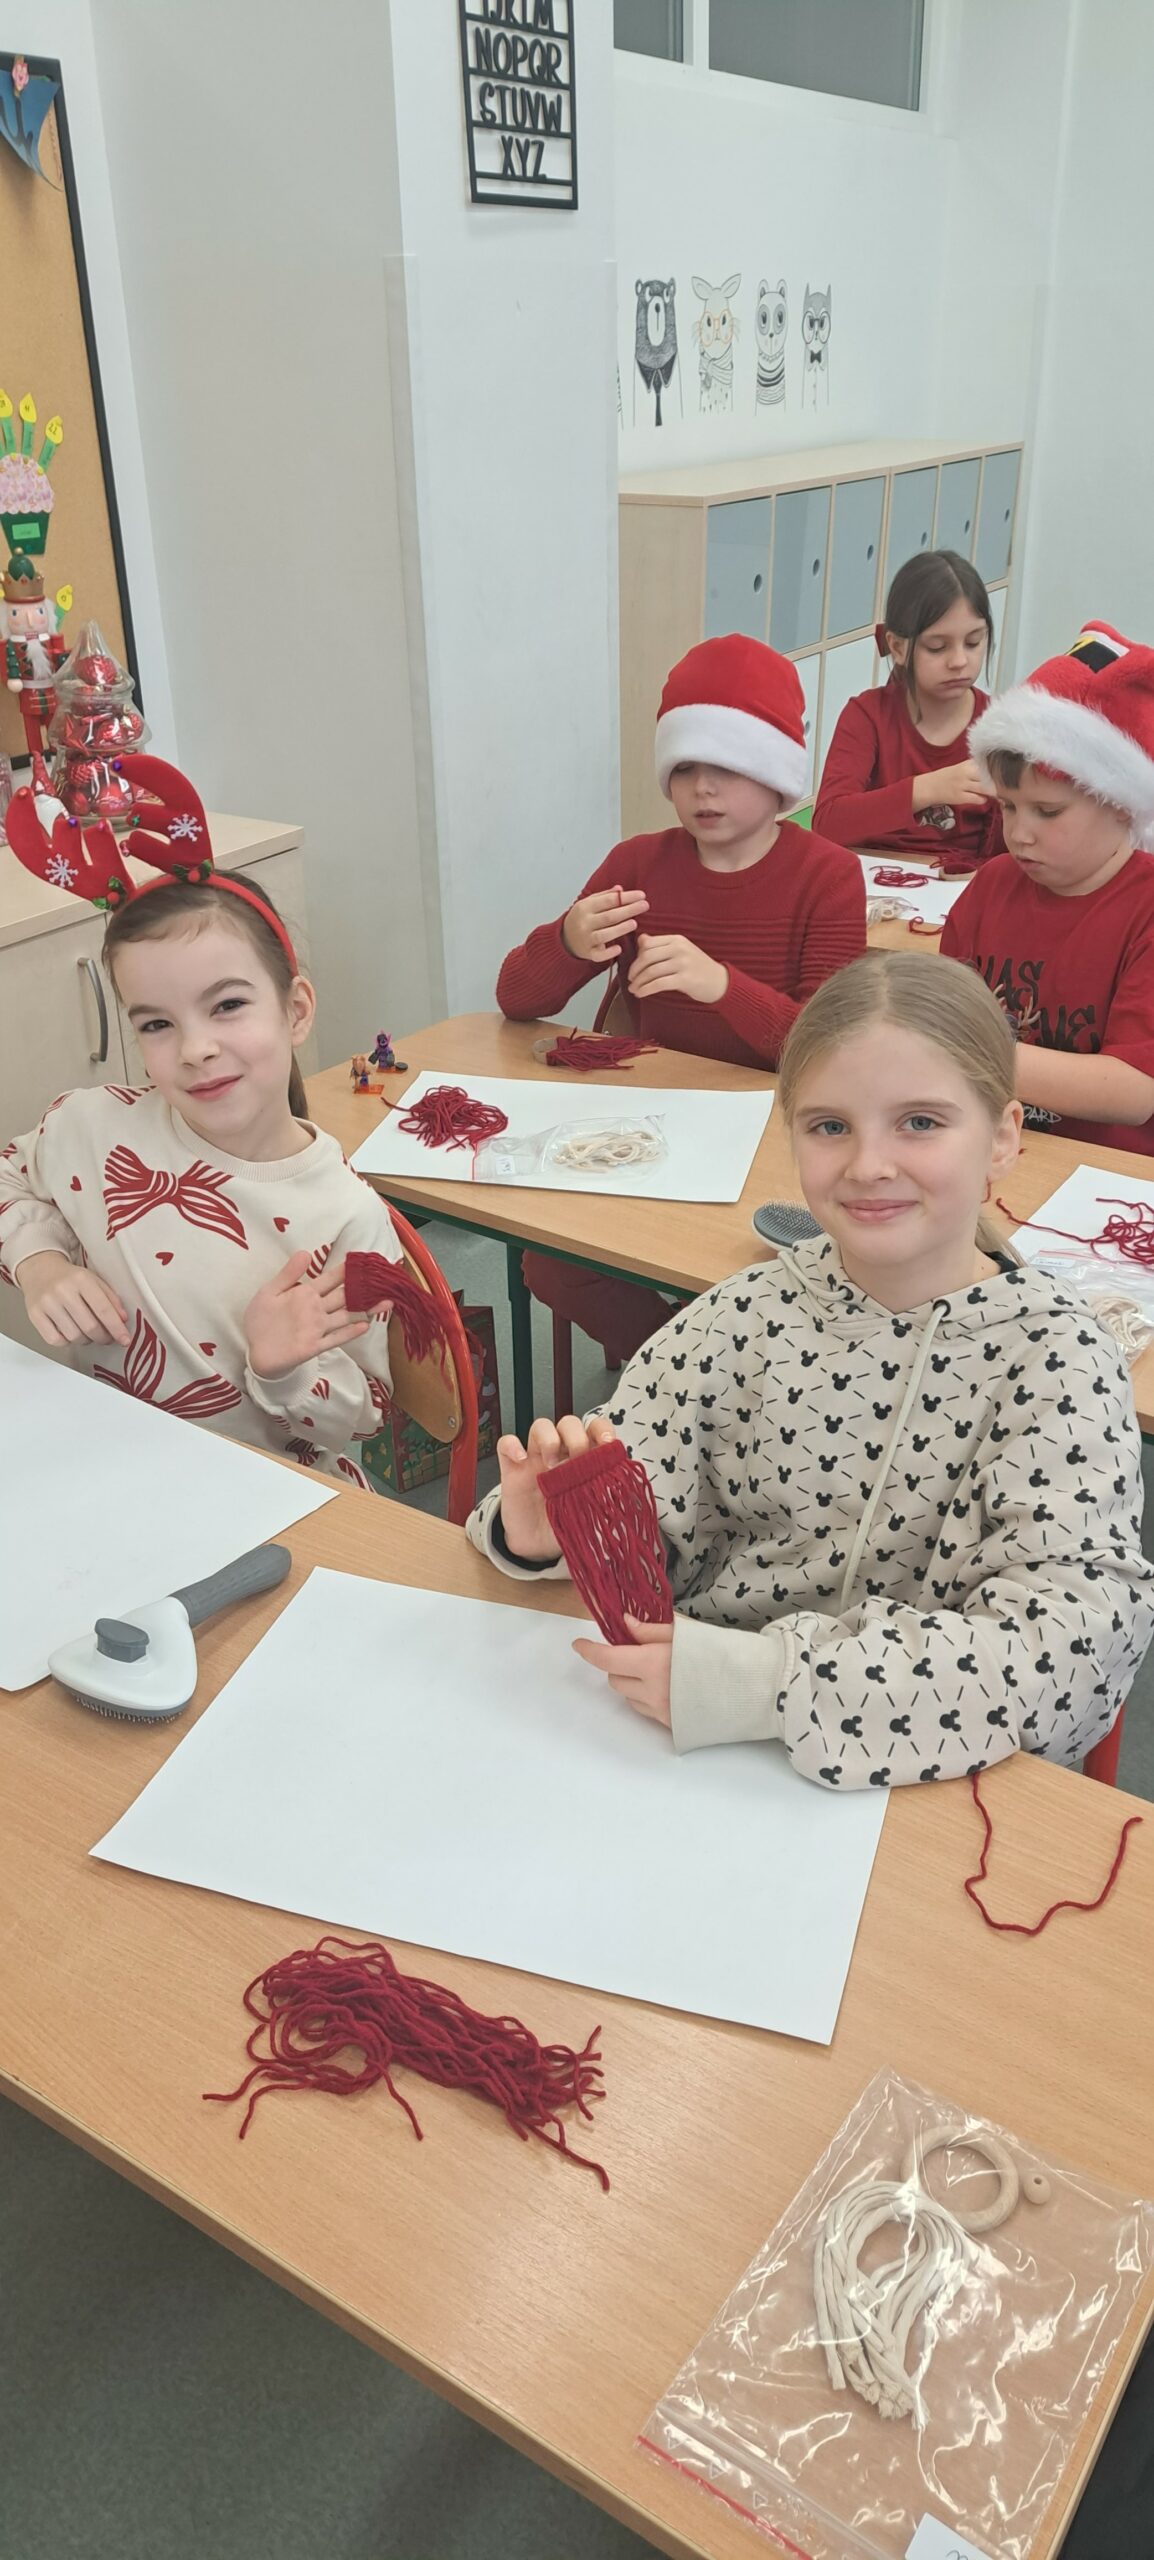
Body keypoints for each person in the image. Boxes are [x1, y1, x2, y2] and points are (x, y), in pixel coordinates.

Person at [466, 951, 1153, 1788]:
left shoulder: (1057, 1361)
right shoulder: (741, 1315)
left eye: (920, 1123)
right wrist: (547, 1536)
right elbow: (645, 1503)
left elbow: (1071, 1649)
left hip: (929, 1783)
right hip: (689, 1749)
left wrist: (771, 1687)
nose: (868, 1165)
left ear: (1003, 1137)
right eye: (830, 1127)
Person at [0, 764, 403, 1477]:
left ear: (296, 1011)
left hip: (274, 1499)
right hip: (110, 1476)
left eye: (227, 1005)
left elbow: (366, 1413)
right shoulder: (90, 1125)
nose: (195, 1049)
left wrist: (282, 1367)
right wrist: (39, 1263)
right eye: (156, 1023)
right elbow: (11, 1178)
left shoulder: (348, 1217)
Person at [497, 632, 866, 1365]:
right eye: (686, 767)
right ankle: (685, 1370)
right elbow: (516, 998)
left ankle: (704, 1362)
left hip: (777, 1140)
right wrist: (567, 940)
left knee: (760, 1273)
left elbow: (833, 1054)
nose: (703, 789)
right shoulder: (639, 862)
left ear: (776, 773)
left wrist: (722, 986)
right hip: (652, 1130)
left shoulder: (828, 875)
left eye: (728, 767)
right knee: (552, 1262)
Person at [942, 619, 1154, 1154]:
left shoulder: (1145, 909)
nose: (1019, 833)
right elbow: (938, 1006)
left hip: (1102, 1172)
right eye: (1009, 807)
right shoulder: (991, 886)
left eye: (1048, 811)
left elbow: (1134, 1091)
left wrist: (955, 1050)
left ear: (1121, 802)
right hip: (987, 1150)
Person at [814, 550, 1003, 871]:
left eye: (973, 642)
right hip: (871, 877)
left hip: (959, 885)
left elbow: (1007, 853)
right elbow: (827, 824)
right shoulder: (867, 716)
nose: (959, 661)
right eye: (937, 647)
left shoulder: (998, 726)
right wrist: (926, 789)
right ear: (898, 647)